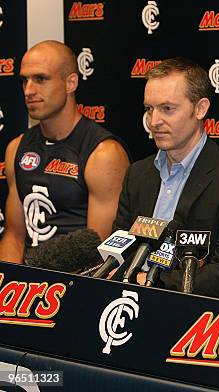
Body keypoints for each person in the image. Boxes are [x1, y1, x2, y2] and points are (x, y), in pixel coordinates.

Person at [113, 57, 219, 299]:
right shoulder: (138, 174)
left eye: (167, 109)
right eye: (149, 109)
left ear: (200, 109)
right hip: (127, 300)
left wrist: (150, 282)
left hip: (193, 314)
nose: (154, 122)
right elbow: (120, 246)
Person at [0, 40, 129, 264]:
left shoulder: (103, 154)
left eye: (40, 79)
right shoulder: (16, 148)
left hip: (77, 286)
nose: (29, 90)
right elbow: (14, 236)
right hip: (28, 285)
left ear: (70, 83)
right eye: (24, 80)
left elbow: (99, 251)